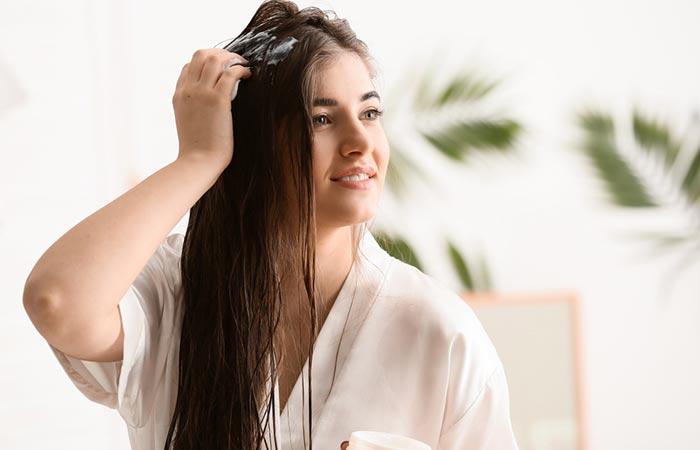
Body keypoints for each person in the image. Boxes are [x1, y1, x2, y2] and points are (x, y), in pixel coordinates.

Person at [22, 1, 520, 449]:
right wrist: (198, 159)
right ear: (252, 141)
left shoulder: (437, 332)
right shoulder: (173, 294)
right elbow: (58, 301)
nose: (360, 142)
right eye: (321, 119)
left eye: (369, 113)